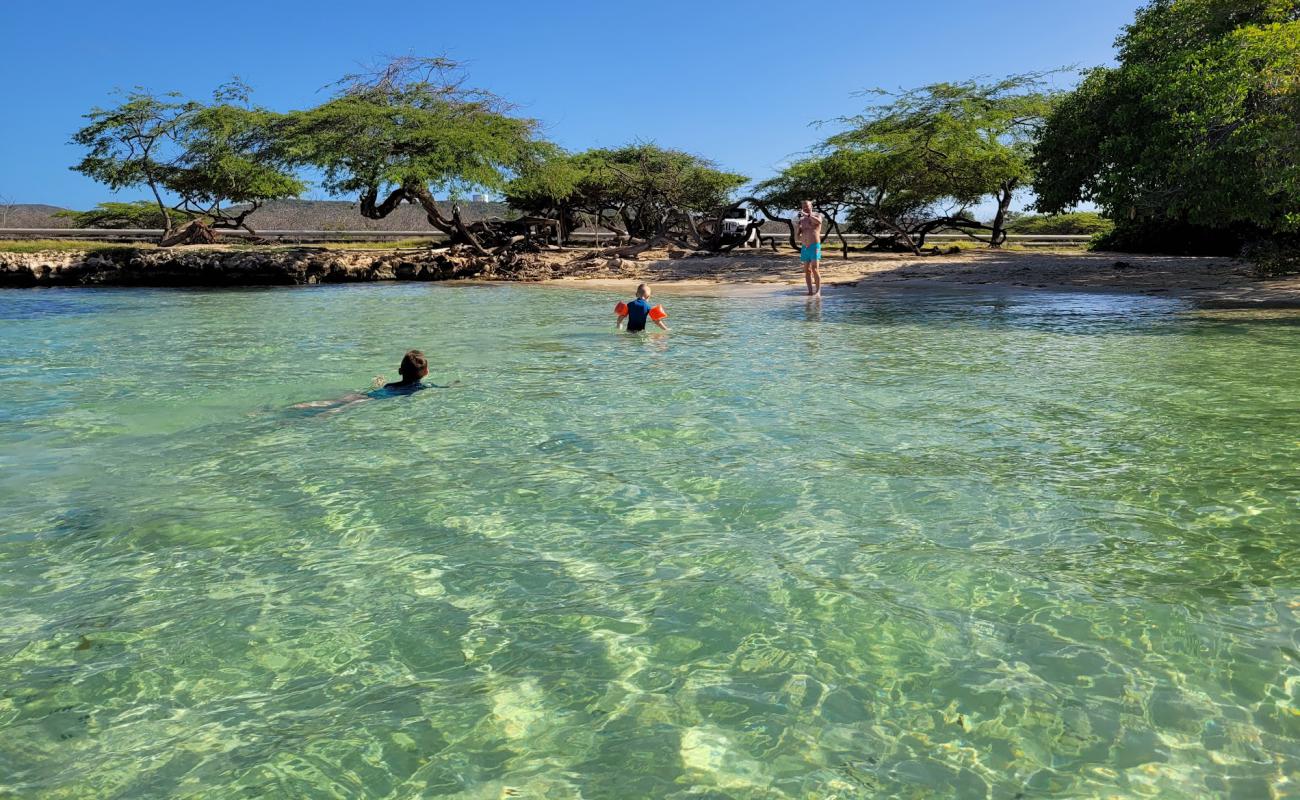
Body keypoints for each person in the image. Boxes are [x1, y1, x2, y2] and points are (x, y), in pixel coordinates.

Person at [290, 349, 439, 414]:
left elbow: (385, 389)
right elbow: (441, 387)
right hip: (377, 399)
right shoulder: (422, 387)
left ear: (400, 371)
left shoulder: (390, 384)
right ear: (426, 372)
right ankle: (320, 416)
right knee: (340, 409)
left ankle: (298, 406)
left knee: (335, 401)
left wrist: (377, 385)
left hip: (372, 393)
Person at [795, 200, 823, 296]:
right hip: (805, 247)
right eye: (803, 206)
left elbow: (818, 222)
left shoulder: (817, 215)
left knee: (815, 268)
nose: (805, 208)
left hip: (814, 246)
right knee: (807, 270)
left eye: (807, 206)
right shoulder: (802, 219)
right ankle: (810, 291)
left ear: (811, 206)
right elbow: (798, 234)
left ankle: (818, 291)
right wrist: (798, 233)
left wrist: (807, 215)